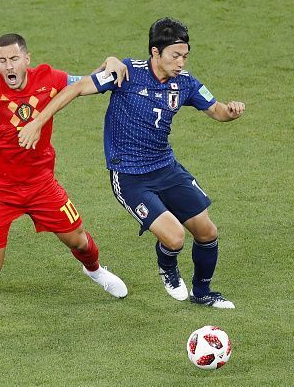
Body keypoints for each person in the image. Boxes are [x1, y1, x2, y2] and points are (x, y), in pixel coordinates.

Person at [18, 18, 245, 308]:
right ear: (155, 52)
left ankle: (202, 292)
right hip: (130, 176)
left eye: (185, 55)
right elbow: (75, 89)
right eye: (175, 55)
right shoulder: (125, 73)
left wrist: (231, 111)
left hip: (166, 167)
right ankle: (169, 269)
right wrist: (38, 122)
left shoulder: (185, 83)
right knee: (174, 239)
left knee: (207, 232)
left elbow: (217, 110)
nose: (181, 62)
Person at [0, 33, 128, 298]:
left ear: (27, 58)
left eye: (14, 59)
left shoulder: (49, 79)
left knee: (79, 240)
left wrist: (111, 62)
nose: (9, 66)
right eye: (2, 61)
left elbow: (84, 83)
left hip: (40, 184)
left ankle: (94, 271)